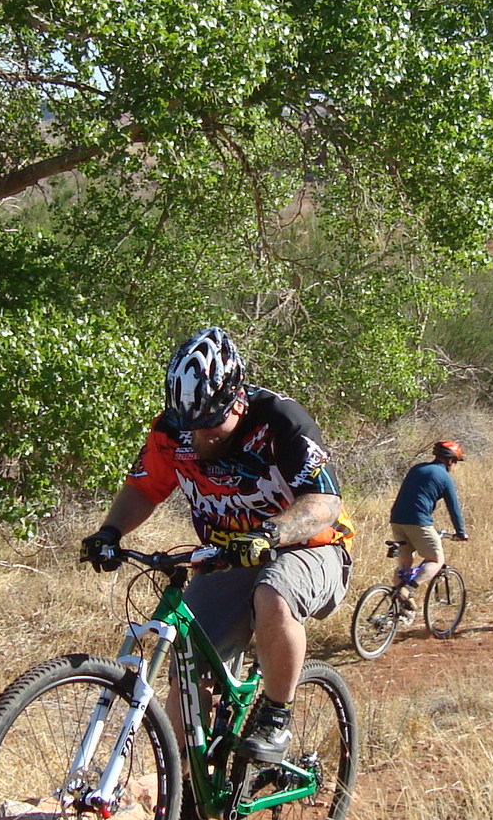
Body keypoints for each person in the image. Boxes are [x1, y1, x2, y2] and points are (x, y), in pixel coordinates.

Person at [80, 326, 353, 768]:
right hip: (228, 557)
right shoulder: (174, 430)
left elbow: (324, 503)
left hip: (310, 547)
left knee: (273, 592)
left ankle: (276, 715)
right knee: (186, 669)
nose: (200, 437)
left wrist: (269, 534)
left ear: (237, 399)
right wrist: (110, 532)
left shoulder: (281, 421)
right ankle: (184, 790)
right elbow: (144, 489)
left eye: (211, 424)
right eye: (191, 426)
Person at [389, 440, 468, 601]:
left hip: (396, 519)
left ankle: (398, 604)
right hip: (418, 521)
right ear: (450, 460)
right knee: (436, 560)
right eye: (455, 462)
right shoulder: (444, 477)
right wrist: (460, 532)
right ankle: (408, 590)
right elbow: (454, 508)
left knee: (405, 563)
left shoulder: (417, 468)